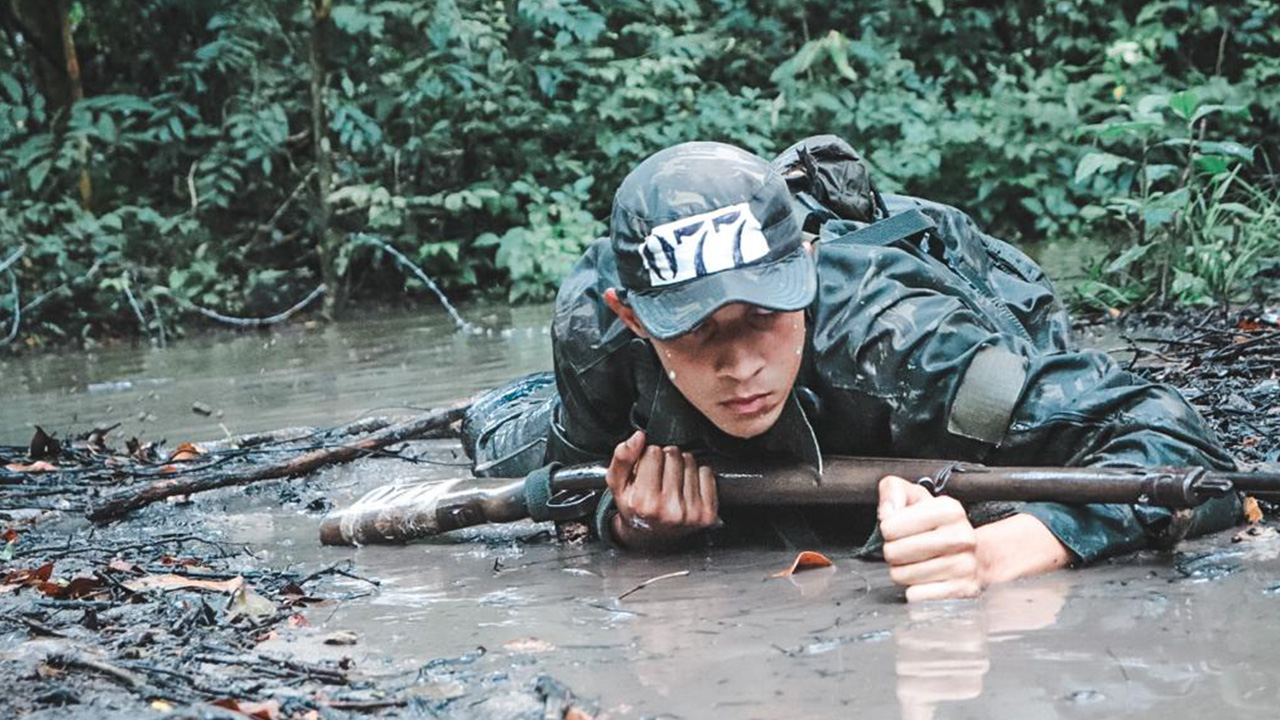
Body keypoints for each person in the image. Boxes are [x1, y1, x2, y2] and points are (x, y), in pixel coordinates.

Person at [461, 136, 1242, 601]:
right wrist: (630, 524)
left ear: (803, 270)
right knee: (496, 439)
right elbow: (572, 479)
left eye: (763, 316)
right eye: (697, 332)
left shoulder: (902, 341)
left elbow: (1178, 445)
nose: (739, 367)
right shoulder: (599, 331)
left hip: (971, 298)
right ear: (635, 318)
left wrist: (1003, 550)